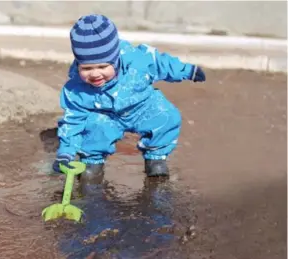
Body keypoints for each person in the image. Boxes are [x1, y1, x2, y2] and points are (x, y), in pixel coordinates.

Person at [52, 14, 206, 185]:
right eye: (87, 68)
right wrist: (65, 153)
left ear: (115, 59)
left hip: (142, 107)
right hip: (106, 115)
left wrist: (187, 70)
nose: (95, 74)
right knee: (94, 126)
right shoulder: (76, 89)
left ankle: (156, 157)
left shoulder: (138, 61)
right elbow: (72, 122)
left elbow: (163, 64)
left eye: (103, 66)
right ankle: (92, 162)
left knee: (167, 116)